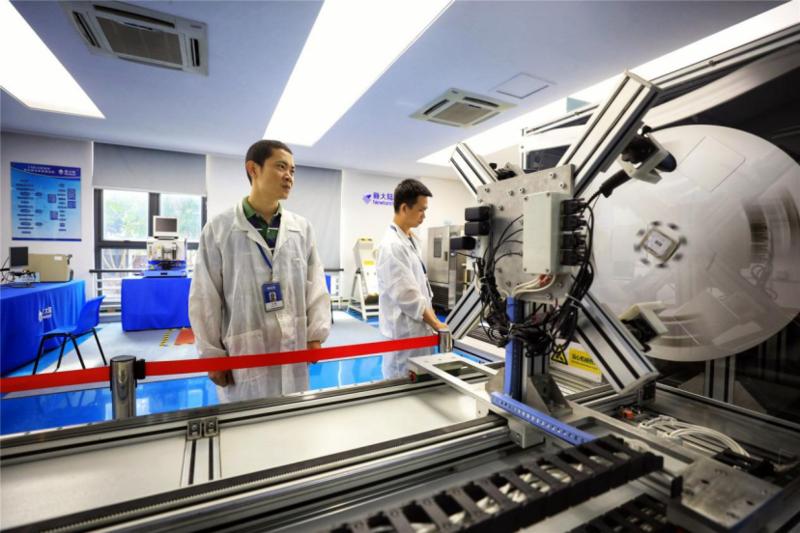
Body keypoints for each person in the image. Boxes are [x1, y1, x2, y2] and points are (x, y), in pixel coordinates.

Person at [189, 140, 331, 403]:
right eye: (281, 167)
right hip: (244, 349)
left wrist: (315, 335)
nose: (289, 176)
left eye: (292, 170)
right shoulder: (219, 229)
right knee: (246, 421)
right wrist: (212, 355)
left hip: (293, 346)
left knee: (292, 416)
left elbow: (316, 284)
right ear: (253, 169)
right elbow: (205, 295)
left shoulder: (302, 228)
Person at [377, 178, 447, 379]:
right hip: (404, 336)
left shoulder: (410, 239)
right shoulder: (393, 246)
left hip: (417, 332)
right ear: (404, 208)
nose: (424, 215)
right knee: (404, 388)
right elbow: (408, 296)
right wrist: (437, 324)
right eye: (421, 210)